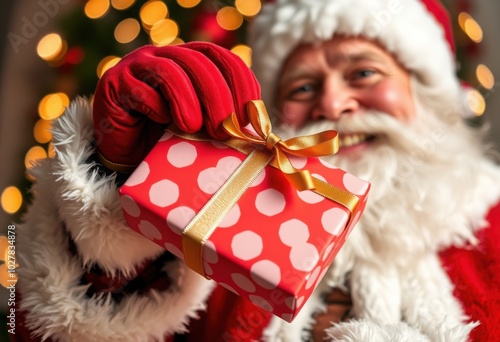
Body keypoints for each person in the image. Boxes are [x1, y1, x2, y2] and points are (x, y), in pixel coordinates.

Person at [12, 0, 500, 342]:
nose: (332, 102)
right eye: (304, 87)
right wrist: (112, 178)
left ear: (425, 91)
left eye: (364, 73)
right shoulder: (216, 239)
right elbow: (45, 328)